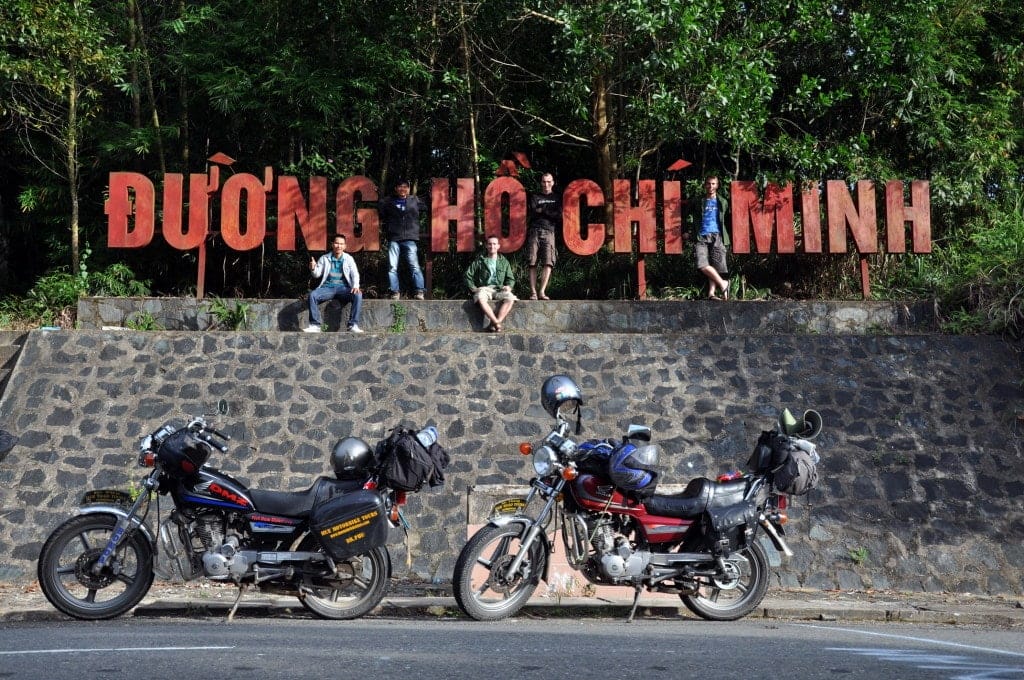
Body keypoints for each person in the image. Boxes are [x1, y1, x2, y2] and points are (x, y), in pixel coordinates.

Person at [303, 235, 364, 333]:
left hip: (344, 289)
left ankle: (353, 325)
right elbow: (316, 275)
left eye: (341, 244)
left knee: (358, 294)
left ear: (344, 246)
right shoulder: (325, 258)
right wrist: (313, 268)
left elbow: (355, 274)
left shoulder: (348, 259)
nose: (338, 246)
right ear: (332, 244)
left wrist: (356, 286)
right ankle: (315, 325)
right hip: (328, 288)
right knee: (313, 295)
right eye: (336, 243)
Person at [378, 178, 426, 300]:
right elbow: (381, 211)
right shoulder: (389, 201)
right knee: (392, 266)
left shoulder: (414, 200)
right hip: (394, 237)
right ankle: (395, 291)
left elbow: (428, 206)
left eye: (405, 187)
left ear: (409, 189)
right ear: (396, 188)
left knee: (414, 265)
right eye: (400, 186)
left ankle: (419, 291)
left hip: (410, 237)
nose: (402, 189)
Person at [689, 175, 731, 300]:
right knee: (702, 264)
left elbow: (727, 219)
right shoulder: (698, 201)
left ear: (717, 185)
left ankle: (711, 293)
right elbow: (687, 215)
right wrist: (687, 230)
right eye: (708, 183)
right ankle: (723, 283)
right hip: (701, 235)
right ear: (704, 185)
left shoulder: (722, 201)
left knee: (716, 265)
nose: (710, 186)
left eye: (713, 184)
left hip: (718, 235)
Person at [464, 236, 517, 332]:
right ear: (486, 246)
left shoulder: (504, 262)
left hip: (499, 289)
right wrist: (474, 288)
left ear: (498, 246)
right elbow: (468, 275)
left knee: (510, 298)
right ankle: (496, 323)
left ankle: (496, 322)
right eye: (490, 244)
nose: (492, 246)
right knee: (480, 297)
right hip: (485, 289)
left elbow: (511, 279)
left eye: (494, 244)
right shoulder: (480, 260)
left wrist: (509, 287)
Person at [526, 172, 561, 300]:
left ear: (552, 182)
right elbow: (534, 212)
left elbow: (558, 216)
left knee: (548, 262)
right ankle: (533, 293)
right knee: (532, 261)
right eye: (544, 181)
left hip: (549, 231)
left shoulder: (557, 198)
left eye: (548, 181)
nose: (546, 184)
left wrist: (543, 210)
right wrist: (548, 211)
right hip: (534, 230)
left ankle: (542, 292)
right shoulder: (535, 196)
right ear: (541, 183)